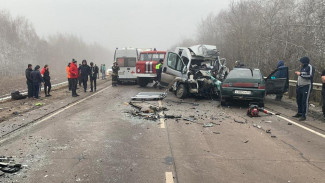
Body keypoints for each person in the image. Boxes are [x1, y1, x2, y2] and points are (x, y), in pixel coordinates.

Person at [293, 57, 315, 121]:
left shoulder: (310, 67)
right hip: (299, 86)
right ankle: (299, 112)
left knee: (304, 101)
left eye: (301, 62)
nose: (300, 63)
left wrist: (300, 74)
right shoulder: (302, 68)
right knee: (298, 99)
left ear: (304, 62)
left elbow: (310, 76)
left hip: (306, 86)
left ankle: (304, 115)